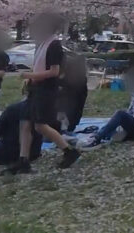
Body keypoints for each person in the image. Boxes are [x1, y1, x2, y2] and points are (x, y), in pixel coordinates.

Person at [5, 13, 81, 174]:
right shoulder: (43, 44)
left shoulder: (54, 45)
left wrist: (29, 76)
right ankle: (23, 160)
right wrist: (29, 80)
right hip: (35, 89)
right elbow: (39, 68)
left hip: (46, 91)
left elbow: (54, 72)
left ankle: (69, 151)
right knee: (24, 123)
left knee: (40, 126)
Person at [83, 65, 134, 148]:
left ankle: (97, 139)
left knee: (120, 115)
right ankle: (101, 134)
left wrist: (122, 120)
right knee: (116, 123)